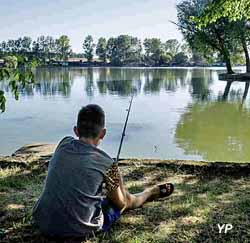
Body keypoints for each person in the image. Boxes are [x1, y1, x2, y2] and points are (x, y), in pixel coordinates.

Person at [32, 104, 174, 239]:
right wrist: (115, 176)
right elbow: (121, 204)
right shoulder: (108, 163)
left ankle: (145, 193)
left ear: (75, 130)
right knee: (122, 201)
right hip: (79, 230)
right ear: (103, 133)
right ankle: (148, 193)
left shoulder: (63, 143)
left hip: (44, 223)